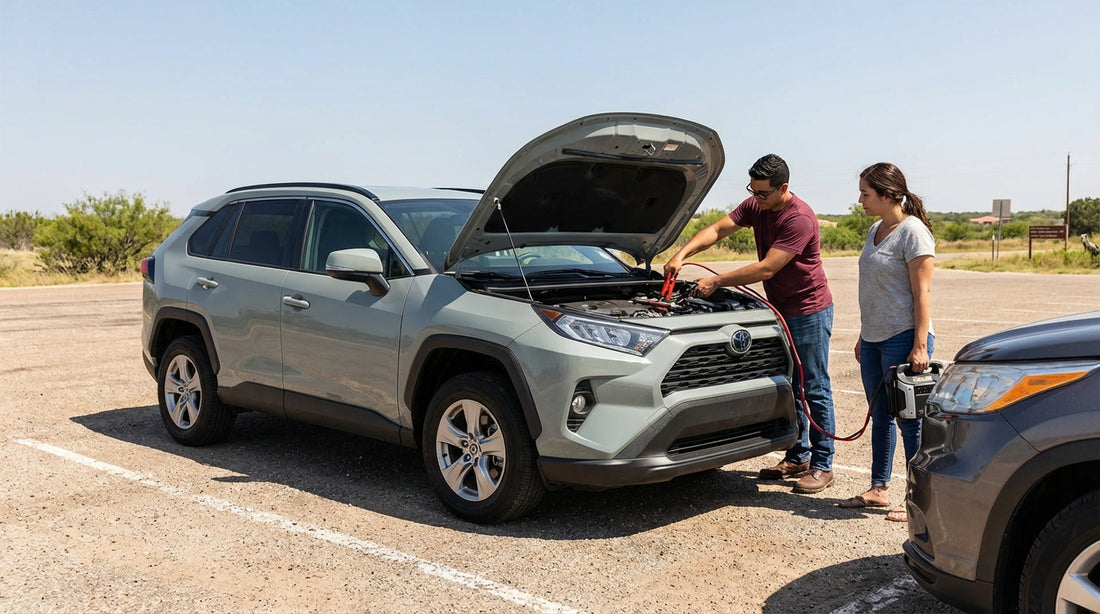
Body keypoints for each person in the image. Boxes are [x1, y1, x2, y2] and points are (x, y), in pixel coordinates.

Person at [665, 154, 837, 494]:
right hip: (778, 309)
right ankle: (798, 455)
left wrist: (716, 282)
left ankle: (822, 464)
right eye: (752, 191)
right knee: (789, 384)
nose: (756, 199)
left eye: (762, 193)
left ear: (782, 188)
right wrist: (681, 254)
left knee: (814, 387)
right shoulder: (756, 205)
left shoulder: (799, 218)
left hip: (808, 311)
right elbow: (717, 229)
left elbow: (767, 268)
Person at [837, 162, 935, 522]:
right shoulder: (874, 229)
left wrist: (920, 345)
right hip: (876, 339)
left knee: (911, 423)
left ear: (888, 195)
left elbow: (922, 293)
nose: (860, 200)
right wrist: (865, 335)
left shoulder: (914, 233)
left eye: (866, 194)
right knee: (880, 418)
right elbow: (875, 289)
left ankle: (918, 500)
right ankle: (879, 488)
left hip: (904, 339)